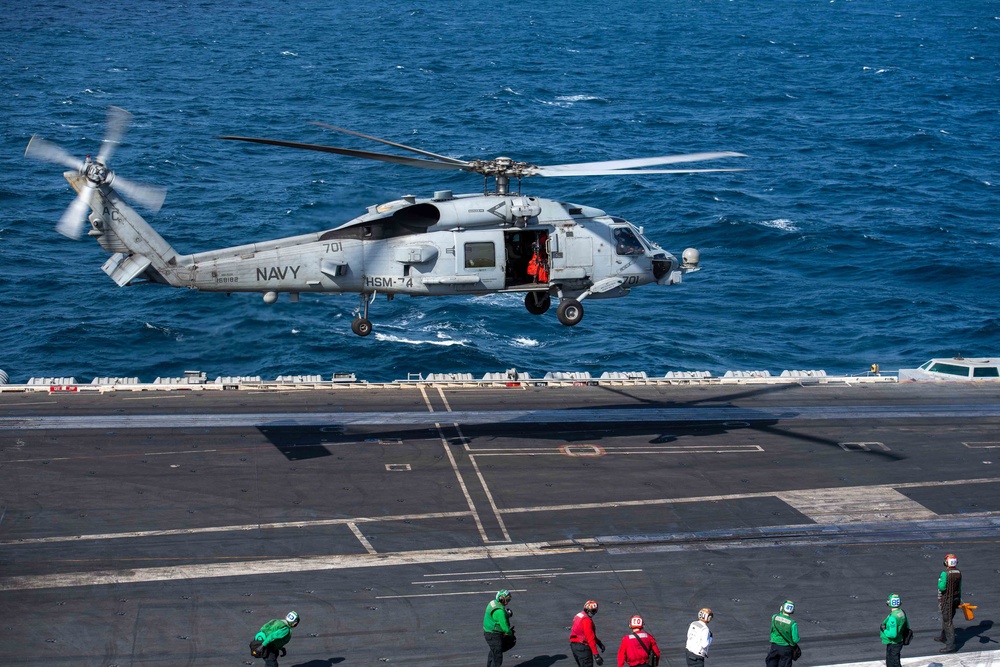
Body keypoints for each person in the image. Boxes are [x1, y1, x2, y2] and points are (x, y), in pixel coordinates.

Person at [936, 552, 962, 653]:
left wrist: (939, 581)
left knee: (948, 621)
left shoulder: (945, 573)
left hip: (947, 599)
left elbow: (942, 587)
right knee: (947, 617)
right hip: (956, 598)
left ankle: (950, 645)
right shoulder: (959, 572)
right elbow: (960, 587)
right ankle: (943, 637)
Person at [570, 599, 606, 667]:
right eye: (593, 611)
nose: (594, 613)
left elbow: (588, 633)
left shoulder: (579, 615)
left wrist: (599, 642)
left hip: (575, 646)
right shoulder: (586, 621)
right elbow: (590, 638)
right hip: (583, 648)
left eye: (595, 611)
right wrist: (596, 655)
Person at [484, 589, 515, 667]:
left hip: (488, 633)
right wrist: (510, 634)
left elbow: (495, 617)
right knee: (497, 658)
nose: (508, 602)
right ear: (501, 599)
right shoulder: (500, 612)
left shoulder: (492, 603)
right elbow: (505, 628)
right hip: (494, 635)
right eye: (507, 600)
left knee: (493, 653)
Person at [765, 600, 799, 667]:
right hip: (786, 648)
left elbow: (772, 630)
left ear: (781, 608)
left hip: (774, 646)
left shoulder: (774, 617)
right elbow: (795, 639)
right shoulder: (793, 623)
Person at [880, 593, 908, 667]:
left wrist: (884, 630)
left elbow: (893, 634)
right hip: (900, 640)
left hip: (893, 643)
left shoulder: (893, 617)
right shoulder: (902, 612)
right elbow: (907, 626)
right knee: (896, 660)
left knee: (892, 662)